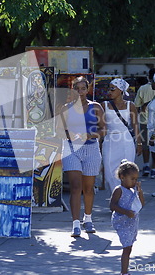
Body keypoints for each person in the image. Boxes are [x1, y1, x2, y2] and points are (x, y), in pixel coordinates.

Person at [58, 76, 106, 237]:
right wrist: (71, 134)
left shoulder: (96, 107)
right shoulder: (66, 108)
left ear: (88, 89)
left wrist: (89, 135)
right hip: (72, 149)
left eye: (83, 89)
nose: (80, 92)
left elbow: (103, 130)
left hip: (91, 149)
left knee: (88, 188)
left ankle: (88, 218)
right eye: (77, 89)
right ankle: (75, 223)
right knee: (76, 186)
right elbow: (60, 130)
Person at [102, 78, 142, 193]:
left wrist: (139, 143)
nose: (110, 91)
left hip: (126, 140)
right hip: (110, 140)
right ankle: (116, 196)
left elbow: (135, 126)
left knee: (127, 171)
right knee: (109, 172)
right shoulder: (104, 105)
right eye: (109, 89)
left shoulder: (130, 105)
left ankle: (126, 199)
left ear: (121, 90)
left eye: (112, 89)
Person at [110, 159, 145, 275]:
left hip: (132, 222)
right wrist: (125, 212)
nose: (134, 182)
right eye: (132, 179)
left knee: (129, 247)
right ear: (122, 177)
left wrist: (140, 192)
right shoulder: (119, 190)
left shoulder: (133, 190)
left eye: (136, 179)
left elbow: (141, 204)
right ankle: (124, 272)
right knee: (127, 247)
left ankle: (125, 271)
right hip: (122, 221)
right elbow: (112, 205)